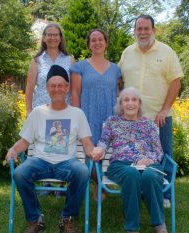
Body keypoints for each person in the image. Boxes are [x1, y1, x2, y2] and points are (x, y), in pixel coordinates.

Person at [6, 65, 95, 233]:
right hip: (40, 161)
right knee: (20, 173)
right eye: (52, 86)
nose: (57, 89)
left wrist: (93, 151)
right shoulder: (38, 112)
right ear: (47, 89)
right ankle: (35, 219)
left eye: (61, 85)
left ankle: (67, 218)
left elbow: (87, 142)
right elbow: (25, 141)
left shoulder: (77, 113)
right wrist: (13, 150)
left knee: (82, 171)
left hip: (67, 162)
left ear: (67, 88)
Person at [118, 15, 184, 203]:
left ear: (153, 30)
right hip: (133, 118)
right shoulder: (127, 53)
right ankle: (140, 191)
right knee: (134, 154)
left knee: (164, 155)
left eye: (146, 29)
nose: (143, 32)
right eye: (139, 29)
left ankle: (165, 195)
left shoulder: (167, 52)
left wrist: (164, 110)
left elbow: (176, 82)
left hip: (158, 117)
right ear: (135, 31)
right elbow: (119, 80)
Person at [93, 87, 168, 233]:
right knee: (131, 174)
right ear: (120, 104)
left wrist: (148, 159)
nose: (130, 103)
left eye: (134, 100)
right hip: (121, 165)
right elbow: (103, 141)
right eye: (126, 100)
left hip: (148, 164)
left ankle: (159, 223)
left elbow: (158, 151)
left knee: (150, 176)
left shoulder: (149, 124)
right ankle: (132, 228)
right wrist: (99, 149)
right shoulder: (112, 121)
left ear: (139, 103)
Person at [70, 29, 121, 200]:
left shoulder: (116, 70)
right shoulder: (79, 67)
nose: (97, 42)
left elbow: (118, 94)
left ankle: (101, 184)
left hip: (109, 117)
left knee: (107, 151)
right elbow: (75, 93)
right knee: (89, 152)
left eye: (100, 39)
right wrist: (78, 118)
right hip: (87, 115)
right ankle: (97, 183)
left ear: (106, 43)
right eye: (93, 40)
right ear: (89, 45)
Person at [25, 23, 74, 116]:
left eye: (55, 35)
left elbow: (72, 88)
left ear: (60, 38)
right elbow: (29, 88)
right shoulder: (36, 61)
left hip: (64, 111)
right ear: (44, 38)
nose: (52, 37)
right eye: (49, 35)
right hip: (41, 111)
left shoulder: (70, 60)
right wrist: (28, 110)